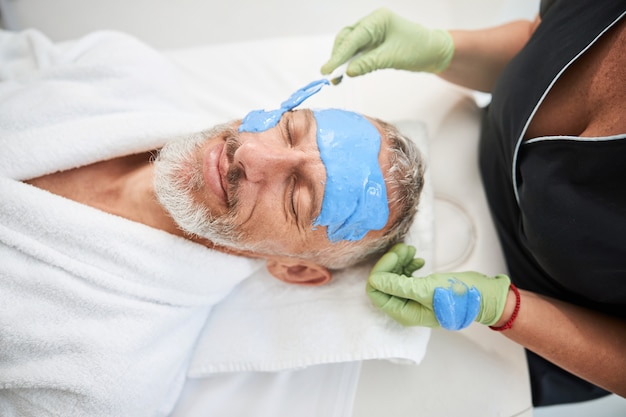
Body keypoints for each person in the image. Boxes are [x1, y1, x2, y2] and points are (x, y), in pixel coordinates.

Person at [0, 28, 425, 416]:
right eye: (289, 128)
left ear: (293, 269)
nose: (252, 154)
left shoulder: (107, 380)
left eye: (297, 195)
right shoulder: (121, 67)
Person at [320, 0, 626, 407]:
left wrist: (503, 308)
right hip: (469, 144)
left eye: (297, 192)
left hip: (539, 331)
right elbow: (538, 41)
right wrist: (442, 49)